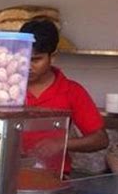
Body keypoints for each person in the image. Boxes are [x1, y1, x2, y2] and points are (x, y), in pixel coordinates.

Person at [19, 19, 109, 175]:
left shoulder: (72, 91)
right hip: (8, 175)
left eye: (36, 59)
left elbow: (100, 139)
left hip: (53, 177)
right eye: (23, 57)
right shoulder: (7, 87)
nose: (27, 66)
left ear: (52, 57)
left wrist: (61, 144)